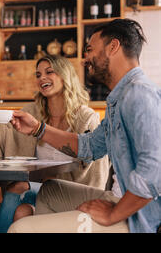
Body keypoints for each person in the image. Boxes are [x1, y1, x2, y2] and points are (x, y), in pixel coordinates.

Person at [8, 19, 160, 233]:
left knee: (20, 228)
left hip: (136, 216)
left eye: (89, 50)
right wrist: (37, 129)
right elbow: (89, 146)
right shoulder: (121, 98)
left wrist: (112, 214)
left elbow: (154, 171)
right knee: (50, 191)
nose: (85, 59)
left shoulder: (139, 93)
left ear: (113, 47)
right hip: (118, 197)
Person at [0, 55, 111, 233]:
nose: (42, 78)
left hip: (73, 193)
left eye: (49, 72)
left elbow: (96, 170)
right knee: (19, 198)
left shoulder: (86, 117)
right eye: (38, 74)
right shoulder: (32, 112)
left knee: (21, 205)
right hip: (42, 188)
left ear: (65, 76)